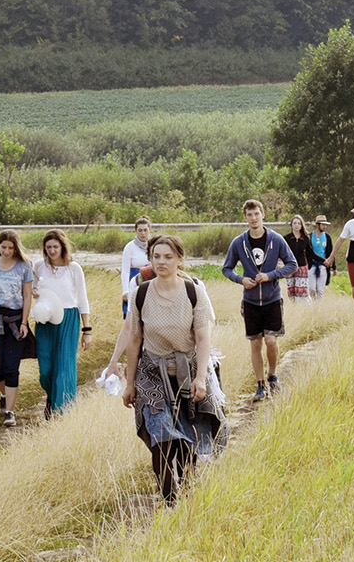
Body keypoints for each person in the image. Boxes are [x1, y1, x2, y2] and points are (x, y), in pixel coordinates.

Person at [118, 233, 226, 507]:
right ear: (150, 259)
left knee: (189, 436)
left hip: (189, 369)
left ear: (180, 259)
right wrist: (129, 383)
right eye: (156, 256)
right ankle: (169, 500)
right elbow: (134, 340)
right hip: (152, 372)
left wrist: (201, 378)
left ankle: (188, 489)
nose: (161, 262)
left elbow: (203, 339)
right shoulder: (140, 293)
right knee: (161, 434)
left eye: (168, 257)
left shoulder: (194, 291)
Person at [222, 199, 299, 401]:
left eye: (257, 214)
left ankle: (272, 375)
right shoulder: (239, 242)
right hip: (251, 301)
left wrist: (271, 275)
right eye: (250, 215)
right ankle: (260, 385)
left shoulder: (276, 239)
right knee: (255, 345)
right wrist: (241, 280)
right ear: (245, 217)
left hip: (272, 298)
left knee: (271, 341)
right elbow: (226, 268)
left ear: (263, 214)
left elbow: (292, 264)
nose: (253, 218)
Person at [29, 228, 92, 418]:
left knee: (64, 367)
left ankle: (61, 412)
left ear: (62, 247)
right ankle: (51, 396)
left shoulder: (74, 268)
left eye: (55, 246)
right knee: (45, 367)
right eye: (48, 247)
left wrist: (87, 330)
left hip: (68, 318)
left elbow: (82, 299)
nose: (52, 250)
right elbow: (31, 289)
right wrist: (33, 293)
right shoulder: (39, 266)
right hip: (45, 320)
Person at [0, 231, 34, 427]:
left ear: (16, 248)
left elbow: (27, 295)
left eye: (11, 248)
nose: (7, 251)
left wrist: (24, 322)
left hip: (16, 319)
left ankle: (10, 411)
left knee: (12, 367)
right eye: (3, 247)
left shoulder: (24, 266)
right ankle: (4, 394)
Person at [119, 217, 153, 320]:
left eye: (145, 230)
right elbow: (125, 270)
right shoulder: (130, 247)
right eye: (140, 230)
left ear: (149, 230)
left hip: (151, 280)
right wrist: (125, 291)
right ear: (136, 231)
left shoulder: (155, 245)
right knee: (133, 315)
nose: (143, 233)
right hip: (135, 281)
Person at [284, 215, 315, 302]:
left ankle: (304, 307)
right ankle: (294, 308)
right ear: (291, 225)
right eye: (294, 223)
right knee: (291, 290)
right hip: (289, 267)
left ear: (301, 225)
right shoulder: (286, 238)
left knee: (301, 291)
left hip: (302, 267)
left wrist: (325, 260)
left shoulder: (305, 238)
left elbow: (311, 253)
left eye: (299, 223)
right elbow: (282, 252)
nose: (296, 225)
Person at [308, 215, 335, 299]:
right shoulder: (309, 236)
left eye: (325, 224)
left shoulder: (327, 237)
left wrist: (334, 267)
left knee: (320, 290)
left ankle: (318, 307)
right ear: (317, 225)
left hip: (323, 266)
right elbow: (309, 252)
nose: (324, 226)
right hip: (312, 265)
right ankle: (313, 303)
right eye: (322, 224)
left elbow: (331, 252)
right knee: (312, 288)